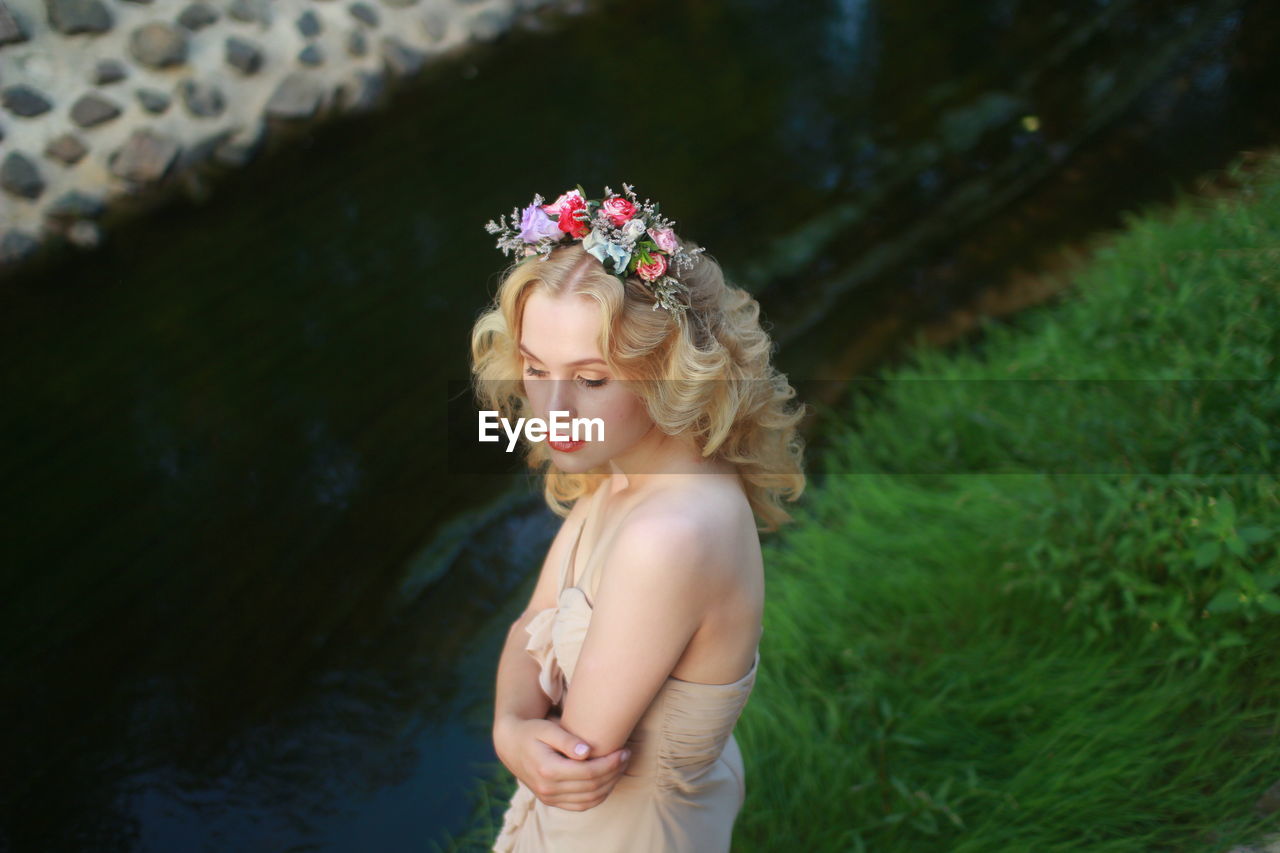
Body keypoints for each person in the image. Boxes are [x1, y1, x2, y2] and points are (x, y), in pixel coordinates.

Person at [471, 184, 806, 852]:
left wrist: (516, 731)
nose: (553, 405)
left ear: (669, 372)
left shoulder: (669, 535)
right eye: (536, 369)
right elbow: (526, 624)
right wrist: (511, 725)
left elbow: (578, 750)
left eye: (592, 379)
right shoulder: (622, 477)